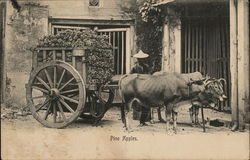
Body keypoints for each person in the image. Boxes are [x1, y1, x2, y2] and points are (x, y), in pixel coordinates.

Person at [130, 50, 151, 126]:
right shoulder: (134, 68)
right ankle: (139, 120)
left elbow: (149, 76)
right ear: (137, 59)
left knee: (147, 104)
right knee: (138, 104)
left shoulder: (146, 66)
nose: (141, 60)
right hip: (137, 87)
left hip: (145, 86)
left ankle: (144, 121)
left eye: (142, 59)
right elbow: (130, 77)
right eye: (139, 59)